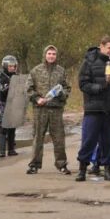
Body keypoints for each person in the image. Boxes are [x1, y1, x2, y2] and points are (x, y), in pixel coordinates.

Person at [76, 37, 110, 182]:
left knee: (108, 141)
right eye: (108, 47)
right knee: (89, 140)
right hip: (93, 109)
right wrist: (99, 88)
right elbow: (83, 84)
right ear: (101, 47)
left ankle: (107, 169)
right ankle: (82, 168)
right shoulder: (89, 62)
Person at [26, 45, 72, 175]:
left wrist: (61, 94)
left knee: (59, 138)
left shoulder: (61, 71)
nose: (51, 56)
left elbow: (67, 88)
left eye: (53, 54)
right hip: (40, 109)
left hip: (56, 109)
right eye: (49, 54)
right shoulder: (36, 70)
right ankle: (34, 164)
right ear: (45, 55)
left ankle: (61, 164)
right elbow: (29, 88)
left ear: (56, 56)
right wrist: (36, 98)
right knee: (38, 137)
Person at [0, 55, 20, 158]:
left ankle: (12, 149)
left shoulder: (16, 76)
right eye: (10, 66)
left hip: (13, 103)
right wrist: (9, 84)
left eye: (14, 66)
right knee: (3, 126)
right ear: (5, 66)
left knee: (12, 126)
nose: (12, 68)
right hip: (2, 103)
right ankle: (2, 151)